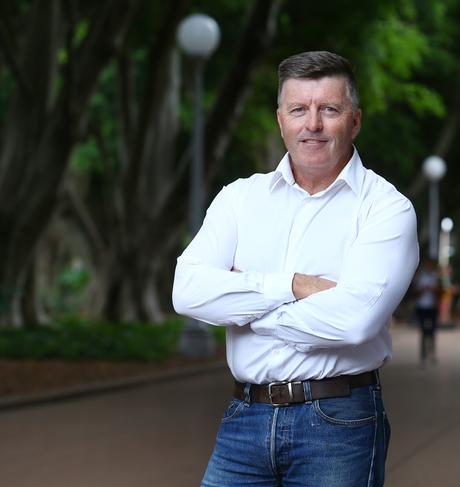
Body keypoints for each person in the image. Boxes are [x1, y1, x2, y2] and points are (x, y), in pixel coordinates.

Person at [172, 51, 419, 486]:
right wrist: (292, 285)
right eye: (299, 110)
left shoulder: (386, 208)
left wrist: (245, 306)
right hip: (243, 418)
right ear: (281, 120)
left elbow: (354, 323)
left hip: (338, 421)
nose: (313, 124)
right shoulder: (239, 199)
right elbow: (187, 290)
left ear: (355, 120)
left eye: (329, 109)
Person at [412, 258, 442, 365]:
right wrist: (423, 289)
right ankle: (423, 356)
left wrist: (434, 290)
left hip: (432, 307)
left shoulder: (436, 277)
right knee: (423, 332)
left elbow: (440, 291)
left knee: (432, 331)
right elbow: (414, 292)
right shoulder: (420, 276)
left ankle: (432, 353)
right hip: (422, 307)